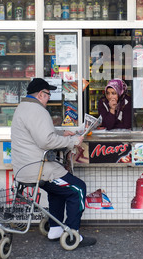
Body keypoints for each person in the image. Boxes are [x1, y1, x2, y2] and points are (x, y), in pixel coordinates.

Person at [11, 78, 96, 247]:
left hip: (24, 169)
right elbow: (46, 142)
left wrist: (62, 133)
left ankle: (55, 229)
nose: (49, 98)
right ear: (41, 94)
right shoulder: (38, 111)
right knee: (78, 189)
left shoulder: (22, 108)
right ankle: (73, 234)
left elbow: (39, 132)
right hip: (38, 169)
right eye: (48, 94)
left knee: (58, 191)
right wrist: (73, 142)